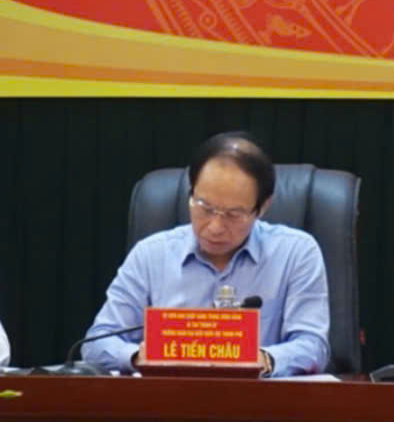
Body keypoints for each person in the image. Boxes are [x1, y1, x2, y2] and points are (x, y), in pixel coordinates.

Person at [82, 132, 330, 376]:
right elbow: (97, 343)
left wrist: (262, 360)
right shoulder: (150, 255)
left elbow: (313, 345)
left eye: (234, 214)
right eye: (205, 207)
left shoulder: (296, 252)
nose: (215, 227)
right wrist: (138, 357)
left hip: (256, 398)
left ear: (263, 207)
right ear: (191, 193)